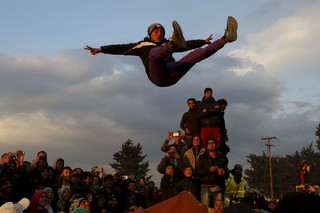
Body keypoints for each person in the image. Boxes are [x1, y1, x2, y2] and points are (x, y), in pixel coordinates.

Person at [84, 17, 238, 87]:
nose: (159, 33)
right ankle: (173, 45)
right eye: (156, 31)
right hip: (158, 76)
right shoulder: (142, 45)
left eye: (161, 31)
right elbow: (120, 48)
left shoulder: (167, 42)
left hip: (173, 73)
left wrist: (203, 42)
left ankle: (226, 38)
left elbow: (186, 45)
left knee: (193, 56)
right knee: (154, 55)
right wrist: (100, 49)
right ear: (150, 34)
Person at [195, 138, 227, 208]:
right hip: (205, 187)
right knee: (206, 209)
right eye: (209, 143)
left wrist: (223, 173)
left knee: (219, 209)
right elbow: (197, 172)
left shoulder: (222, 158)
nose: (211, 145)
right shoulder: (202, 157)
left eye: (213, 143)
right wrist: (209, 169)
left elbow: (227, 173)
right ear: (207, 146)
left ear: (216, 145)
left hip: (218, 187)